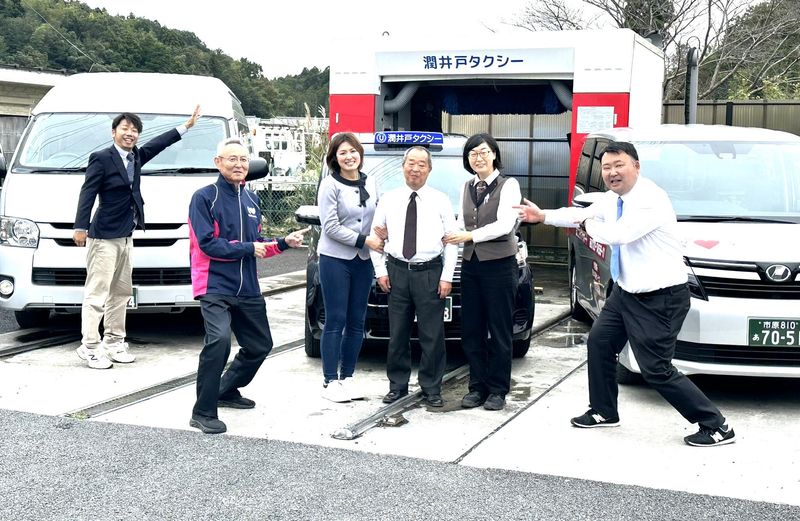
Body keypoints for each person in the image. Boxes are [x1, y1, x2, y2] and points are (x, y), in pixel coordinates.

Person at [515, 140, 736, 447]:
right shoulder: (613, 199)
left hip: (661, 298)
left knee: (655, 369)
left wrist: (586, 224)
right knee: (600, 343)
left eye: (619, 165)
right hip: (626, 292)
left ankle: (716, 425)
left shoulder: (650, 200)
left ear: (636, 166)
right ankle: (604, 411)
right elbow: (581, 213)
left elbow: (617, 235)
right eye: (606, 167)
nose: (612, 172)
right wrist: (543, 216)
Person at [187, 137, 307, 434]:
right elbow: (207, 244)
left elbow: (258, 243)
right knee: (219, 341)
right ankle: (203, 411)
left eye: (243, 159)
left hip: (248, 287)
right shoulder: (204, 197)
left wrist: (284, 242)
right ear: (218, 163)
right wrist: (248, 248)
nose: (239, 164)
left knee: (260, 345)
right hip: (214, 285)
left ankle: (225, 389)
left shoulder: (252, 199)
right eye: (232, 159)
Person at [73, 106, 201, 369]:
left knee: (120, 293)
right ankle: (90, 346)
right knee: (97, 293)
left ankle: (114, 342)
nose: (130, 133)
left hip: (126, 235)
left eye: (134, 130)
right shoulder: (101, 158)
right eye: (125, 128)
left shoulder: (137, 157)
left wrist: (186, 126)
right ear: (113, 132)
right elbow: (88, 192)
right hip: (103, 236)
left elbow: (160, 143)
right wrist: (80, 227)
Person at [370, 146, 457, 407]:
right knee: (397, 333)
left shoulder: (441, 200)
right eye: (411, 163)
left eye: (421, 164)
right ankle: (397, 385)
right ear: (403, 166)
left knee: (432, 334)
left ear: (429, 169)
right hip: (397, 272)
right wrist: (381, 271)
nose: (415, 169)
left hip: (429, 272)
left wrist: (447, 276)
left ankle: (431, 387)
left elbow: (451, 241)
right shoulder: (388, 199)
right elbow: (376, 238)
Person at [443, 133, 522, 411]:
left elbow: (504, 225)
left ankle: (498, 390)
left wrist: (469, 236)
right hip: (471, 265)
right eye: (473, 153)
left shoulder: (509, 185)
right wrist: (448, 235)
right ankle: (476, 387)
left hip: (499, 265)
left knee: (499, 329)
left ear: (494, 154)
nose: (478, 158)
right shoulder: (466, 186)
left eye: (484, 152)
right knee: (471, 329)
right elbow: (460, 223)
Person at [317, 133, 384, 403]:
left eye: (353, 151)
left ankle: (348, 377)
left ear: (360, 154)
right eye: (342, 152)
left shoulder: (372, 182)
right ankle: (330, 380)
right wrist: (364, 240)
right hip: (335, 259)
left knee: (357, 320)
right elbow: (330, 227)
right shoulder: (329, 185)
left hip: (363, 261)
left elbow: (378, 215)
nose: (349, 157)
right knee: (336, 319)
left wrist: (384, 232)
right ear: (335, 157)